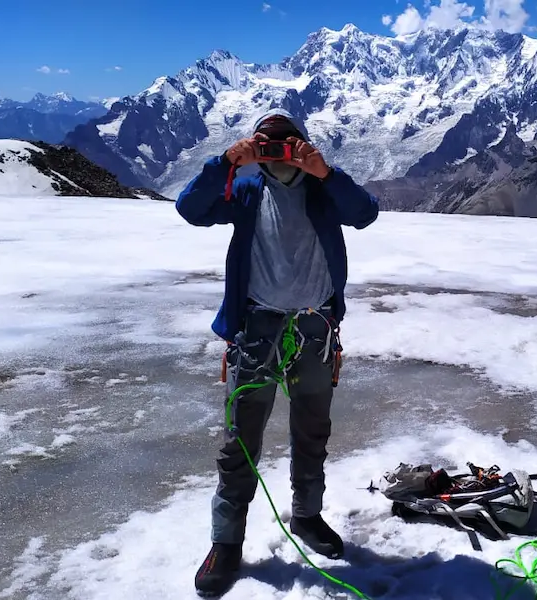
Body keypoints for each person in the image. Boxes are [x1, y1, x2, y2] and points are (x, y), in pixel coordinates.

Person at [174, 109, 379, 597]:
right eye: (267, 143)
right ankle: (227, 542)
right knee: (239, 439)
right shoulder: (245, 190)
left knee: (312, 430)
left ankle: (307, 517)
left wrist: (324, 172)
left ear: (303, 146)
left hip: (315, 327)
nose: (277, 151)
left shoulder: (325, 193)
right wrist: (224, 163)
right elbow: (191, 208)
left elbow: (366, 213)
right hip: (256, 327)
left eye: (288, 143)